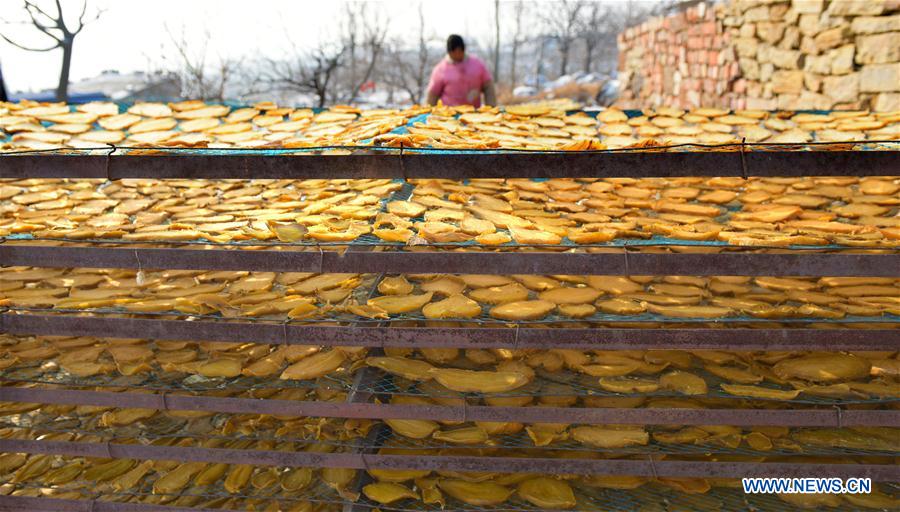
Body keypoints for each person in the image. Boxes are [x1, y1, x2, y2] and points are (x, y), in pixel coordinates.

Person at [426, 34, 496, 107]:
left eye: (460, 51)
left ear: (464, 50)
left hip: (474, 113)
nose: (457, 55)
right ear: (449, 52)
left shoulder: (477, 65)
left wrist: (491, 107)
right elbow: (433, 95)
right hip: (449, 115)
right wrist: (428, 112)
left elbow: (488, 87)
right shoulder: (440, 69)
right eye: (454, 52)